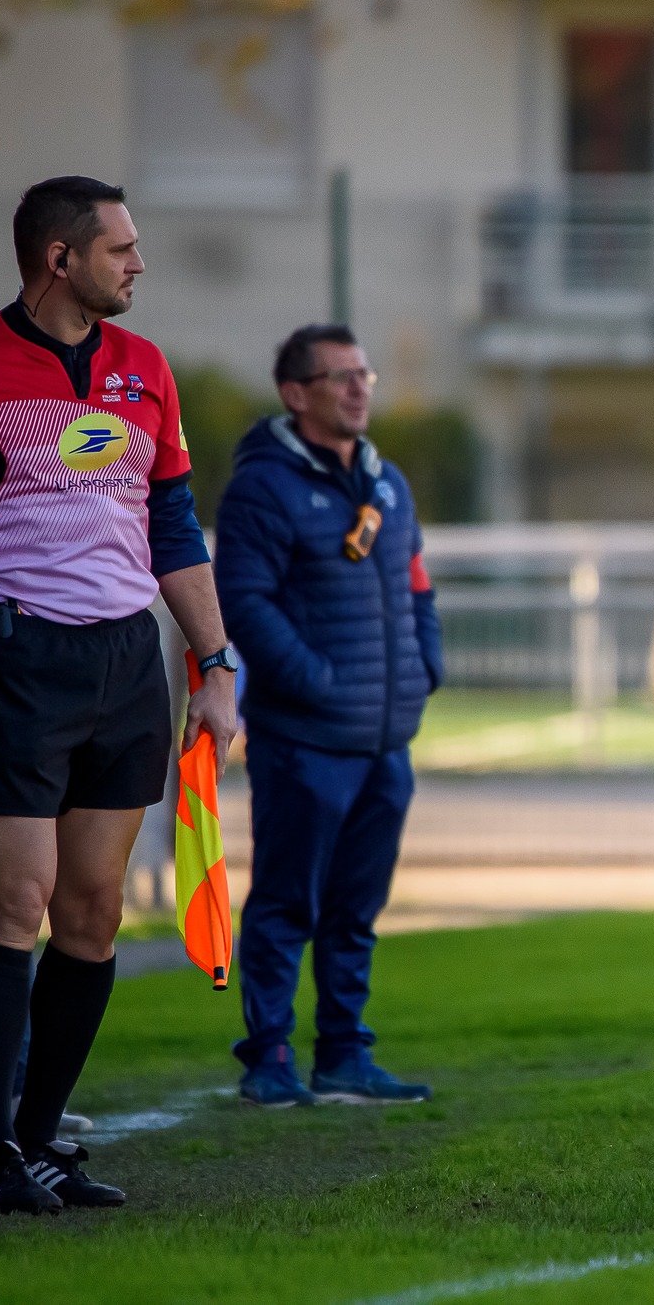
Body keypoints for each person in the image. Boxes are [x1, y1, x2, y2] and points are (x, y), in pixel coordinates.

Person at [0, 176, 239, 1215]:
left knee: (93, 911)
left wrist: (214, 664)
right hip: (9, 661)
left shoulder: (146, 371)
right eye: (120, 249)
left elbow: (175, 529)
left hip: (123, 665)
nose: (138, 264)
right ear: (59, 259)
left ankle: (40, 1138)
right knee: (13, 904)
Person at [213, 323, 442, 1109]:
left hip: (386, 741)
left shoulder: (387, 484)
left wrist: (425, 667)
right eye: (339, 376)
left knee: (355, 910)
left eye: (364, 374)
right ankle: (268, 1056)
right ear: (295, 393)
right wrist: (314, 679)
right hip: (304, 738)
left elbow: (417, 587)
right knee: (286, 903)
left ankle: (344, 1052)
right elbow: (242, 601)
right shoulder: (264, 488)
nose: (357, 388)